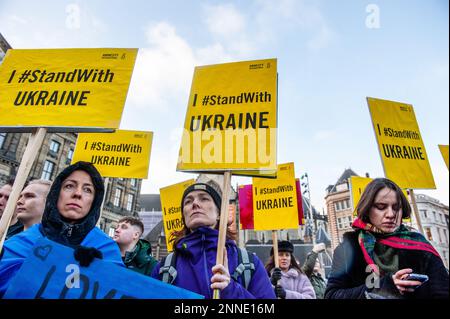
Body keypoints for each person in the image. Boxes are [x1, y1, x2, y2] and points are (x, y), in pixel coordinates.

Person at [0, 161, 123, 297]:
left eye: (87, 189)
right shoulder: (21, 241)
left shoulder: (105, 247)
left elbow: (120, 290)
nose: (77, 194)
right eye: (69, 186)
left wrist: (96, 271)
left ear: (94, 201)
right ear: (56, 193)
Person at [325, 178, 449, 299]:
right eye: (381, 206)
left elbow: (443, 291)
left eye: (396, 208)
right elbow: (331, 295)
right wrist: (383, 287)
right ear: (367, 209)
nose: (391, 214)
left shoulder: (420, 245)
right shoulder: (347, 249)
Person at [151, 182, 275, 299]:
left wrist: (231, 290)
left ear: (220, 213)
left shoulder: (250, 263)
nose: (195, 204)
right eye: (188, 201)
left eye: (204, 198)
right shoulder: (164, 268)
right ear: (184, 216)